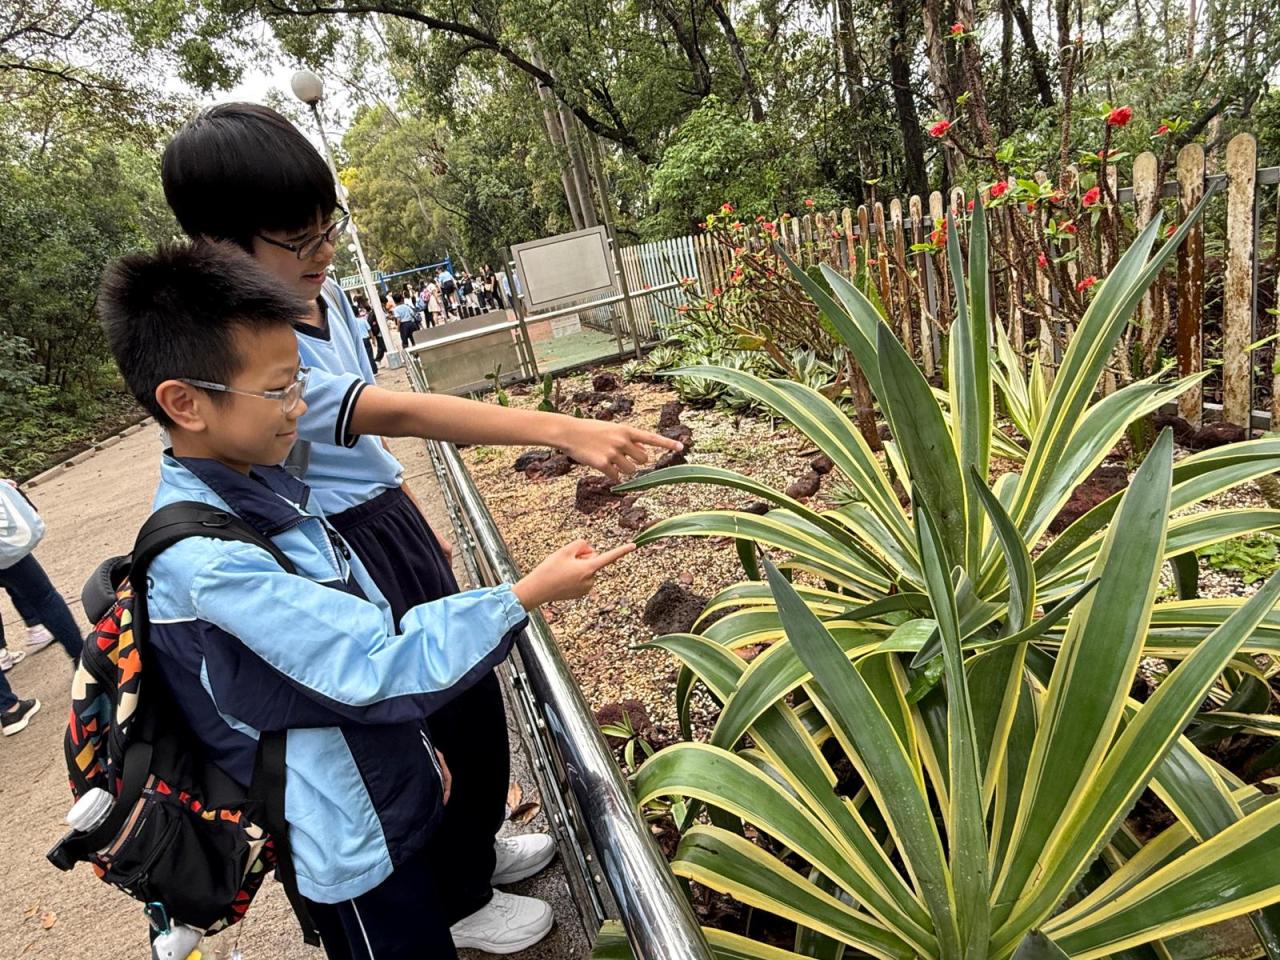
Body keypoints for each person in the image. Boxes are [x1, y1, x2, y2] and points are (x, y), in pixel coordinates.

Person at [160, 101, 680, 954]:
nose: (324, 251)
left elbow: (366, 437)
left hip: (379, 518)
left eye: (329, 227)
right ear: (220, 245)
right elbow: (393, 410)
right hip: (332, 541)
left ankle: (471, 853)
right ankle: (457, 894)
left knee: (470, 703)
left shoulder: (319, 301)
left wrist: (405, 506)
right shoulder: (249, 355)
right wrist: (562, 428)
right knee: (420, 708)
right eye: (298, 238)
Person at [95, 241, 635, 960]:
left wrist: (417, 752)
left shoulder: (264, 488)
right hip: (345, 837)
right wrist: (524, 595)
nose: (299, 407)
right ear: (184, 403)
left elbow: (351, 637)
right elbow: (374, 664)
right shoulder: (212, 565)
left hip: (370, 791)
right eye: (280, 390)